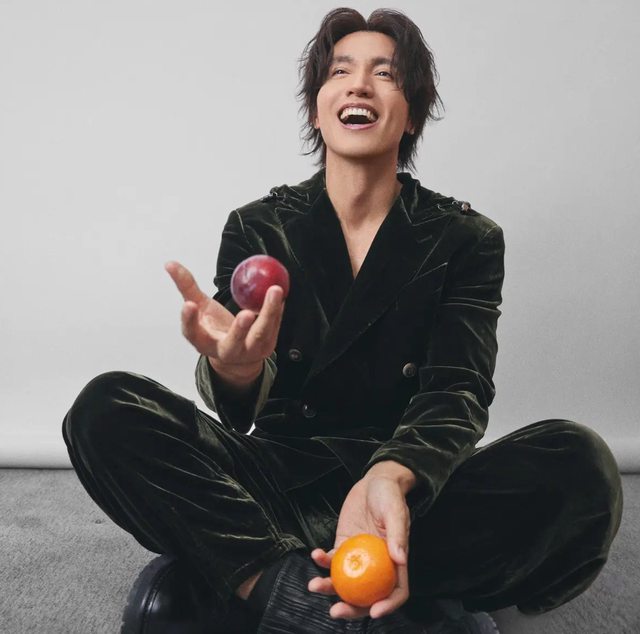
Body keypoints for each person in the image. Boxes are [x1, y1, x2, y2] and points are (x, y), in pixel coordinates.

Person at [62, 7, 624, 634]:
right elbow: (237, 409)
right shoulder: (258, 225)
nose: (359, 84)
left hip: (403, 493)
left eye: (385, 74)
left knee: (581, 466)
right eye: (340, 71)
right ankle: (307, 598)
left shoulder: (466, 238)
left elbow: (457, 390)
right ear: (316, 107)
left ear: (412, 114)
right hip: (278, 478)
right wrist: (235, 368)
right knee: (104, 408)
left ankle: (230, 573)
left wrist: (391, 475)